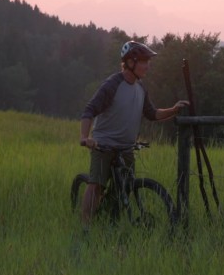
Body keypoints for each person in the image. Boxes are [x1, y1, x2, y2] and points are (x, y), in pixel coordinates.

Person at [79, 40, 189, 227]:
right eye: (144, 61)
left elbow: (152, 114)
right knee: (96, 185)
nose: (148, 66)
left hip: (126, 148)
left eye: (148, 61)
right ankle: (85, 228)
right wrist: (85, 138)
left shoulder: (140, 88)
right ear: (130, 62)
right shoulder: (112, 85)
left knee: (125, 188)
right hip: (103, 144)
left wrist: (173, 109)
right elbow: (89, 110)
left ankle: (110, 222)